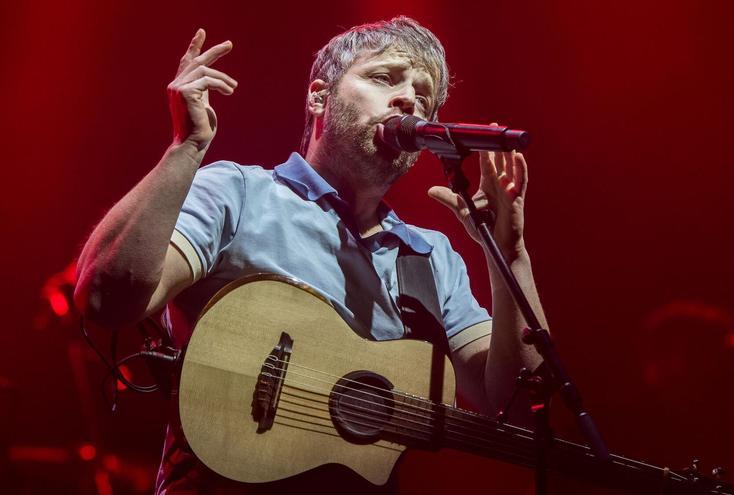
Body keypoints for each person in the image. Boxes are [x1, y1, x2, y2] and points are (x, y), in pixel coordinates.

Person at [75, 16, 548, 494]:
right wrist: (186, 147)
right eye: (384, 78)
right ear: (319, 97)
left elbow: (516, 400)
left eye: (424, 95)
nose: (410, 100)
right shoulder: (237, 194)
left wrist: (510, 257)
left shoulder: (432, 256)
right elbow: (106, 298)